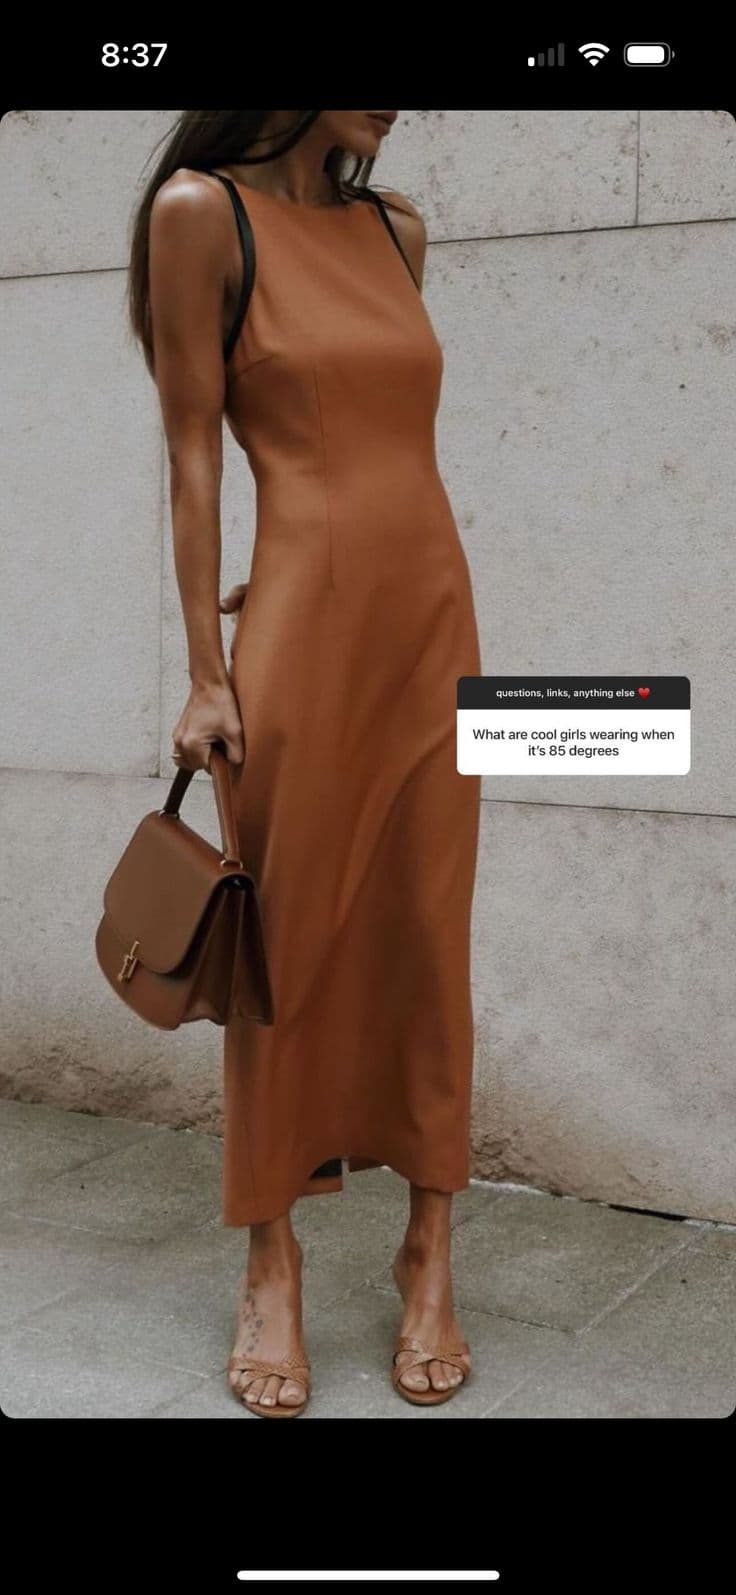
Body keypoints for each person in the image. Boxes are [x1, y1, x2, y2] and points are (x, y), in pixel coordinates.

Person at [129, 109, 482, 1416]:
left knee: (429, 933)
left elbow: (390, 450)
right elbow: (191, 453)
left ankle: (430, 1251)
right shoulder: (199, 218)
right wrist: (207, 671)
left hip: (437, 621)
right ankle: (269, 1260)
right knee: (285, 951)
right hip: (298, 631)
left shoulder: (398, 232)